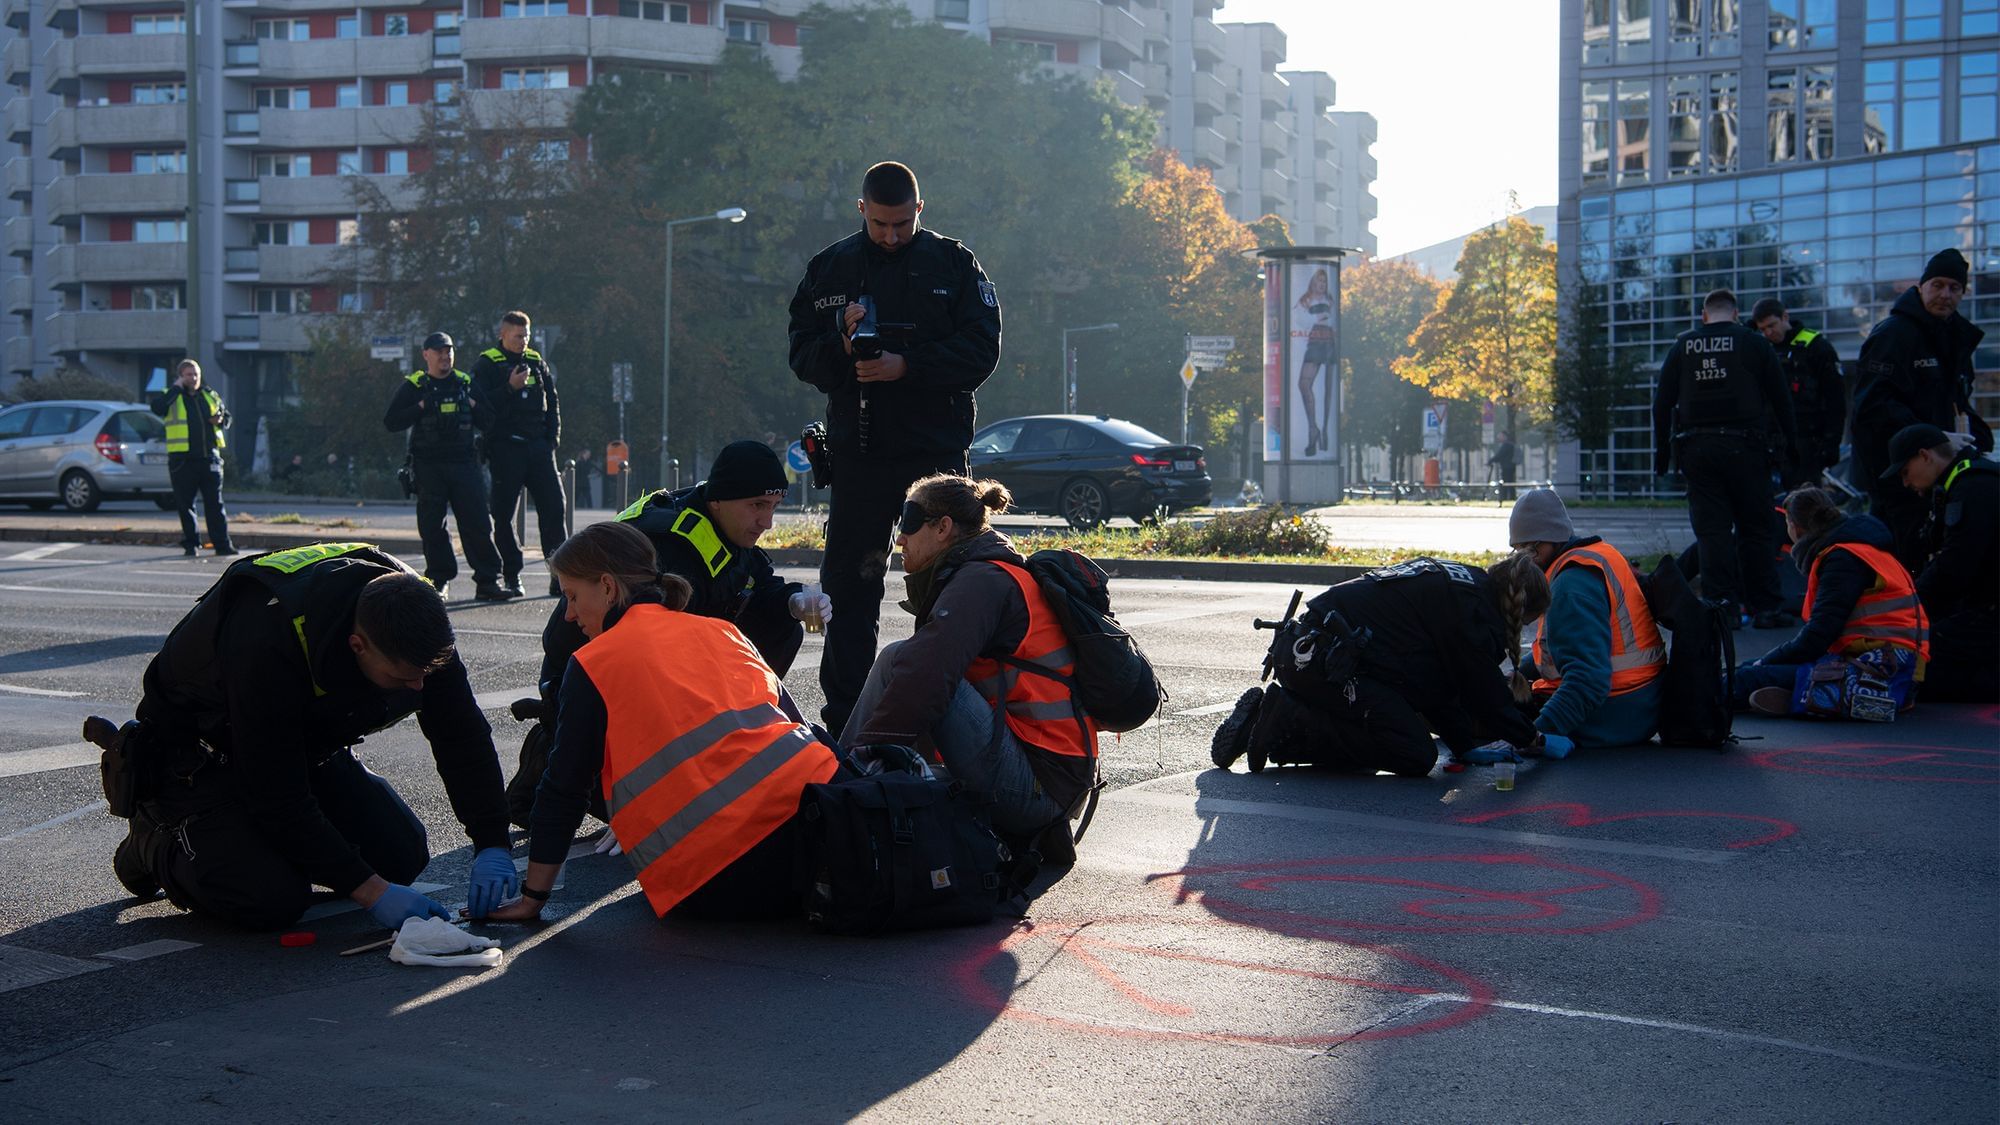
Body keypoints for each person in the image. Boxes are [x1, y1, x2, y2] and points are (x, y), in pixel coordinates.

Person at [83, 543, 518, 930]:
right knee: (270, 898)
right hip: (196, 755)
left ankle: (249, 843)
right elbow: (277, 797)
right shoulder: (269, 640)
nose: (419, 687)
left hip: (301, 742)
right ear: (358, 646)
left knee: (400, 856)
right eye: (403, 678)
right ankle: (153, 838)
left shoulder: (415, 621)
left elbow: (462, 736)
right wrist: (371, 893)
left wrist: (491, 843)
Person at [490, 522, 840, 923]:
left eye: (572, 596)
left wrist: (532, 898)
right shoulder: (722, 630)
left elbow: (564, 787)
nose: (569, 614)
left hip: (717, 875)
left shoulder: (594, 663)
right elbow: (798, 727)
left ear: (607, 587)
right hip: (819, 827)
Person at [787, 160, 1002, 735]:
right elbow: (801, 355)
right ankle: (849, 724)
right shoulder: (830, 268)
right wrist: (842, 346)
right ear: (862, 210)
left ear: (919, 210)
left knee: (954, 589)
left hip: (935, 458)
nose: (890, 235)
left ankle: (955, 720)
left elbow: (982, 350)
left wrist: (908, 365)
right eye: (880, 223)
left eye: (902, 224)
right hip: (860, 454)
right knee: (849, 589)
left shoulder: (953, 264)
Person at [843, 475, 1089, 842]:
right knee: (911, 662)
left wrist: (859, 760)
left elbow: (925, 677)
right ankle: (853, 777)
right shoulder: (981, 572)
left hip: (1039, 789)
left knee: (907, 662)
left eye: (909, 522)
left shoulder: (981, 581)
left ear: (943, 528)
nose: (900, 538)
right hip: (1047, 781)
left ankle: (839, 778)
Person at [1212, 554, 1551, 776]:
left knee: (1396, 728)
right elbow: (1482, 689)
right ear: (1519, 608)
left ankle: (1273, 718)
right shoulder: (1472, 612)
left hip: (1304, 652)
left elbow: (1438, 687)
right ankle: (1281, 722)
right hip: (1326, 664)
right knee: (1414, 754)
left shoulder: (1465, 584)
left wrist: (1464, 744)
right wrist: (1532, 738)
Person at [539, 439, 824, 688]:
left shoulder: (720, 521)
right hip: (580, 677)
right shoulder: (672, 549)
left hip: (628, 664)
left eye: (774, 506)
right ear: (718, 499)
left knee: (783, 625)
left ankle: (746, 716)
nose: (767, 522)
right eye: (758, 505)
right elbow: (656, 647)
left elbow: (758, 581)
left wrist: (793, 601)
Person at [1654, 288, 1797, 628]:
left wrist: (1662, 453)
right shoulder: (1754, 343)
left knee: (1712, 532)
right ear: (1735, 315)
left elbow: (1662, 404)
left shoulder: (1683, 346)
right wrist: (1791, 447)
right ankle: (1765, 608)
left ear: (1704, 316)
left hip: (1698, 451)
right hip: (1747, 449)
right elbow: (1781, 400)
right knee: (1755, 530)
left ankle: (1723, 608)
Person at [1853, 248, 1993, 569]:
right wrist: (1931, 436)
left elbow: (1957, 399)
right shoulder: (1893, 335)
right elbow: (1871, 406)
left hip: (1938, 470)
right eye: (1938, 285)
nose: (1945, 295)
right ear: (1921, 287)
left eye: (1954, 288)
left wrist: (1979, 437)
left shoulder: (1955, 337)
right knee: (1901, 556)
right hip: (1898, 473)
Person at [1734, 488, 1928, 718]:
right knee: (1750, 668)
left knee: (1747, 677)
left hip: (1881, 670)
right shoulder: (1862, 548)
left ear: (1794, 526)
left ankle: (1811, 696)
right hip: (1895, 666)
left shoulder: (1843, 559)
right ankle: (1805, 695)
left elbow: (1818, 636)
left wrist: (1765, 662)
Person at [1508, 489, 1664, 751]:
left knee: (1489, 716)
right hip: (1640, 702)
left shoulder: (1570, 588)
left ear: (1551, 541)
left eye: (1529, 548)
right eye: (1517, 549)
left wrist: (1535, 737)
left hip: (1614, 713)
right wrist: (1517, 675)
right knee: (1498, 700)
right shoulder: (1597, 555)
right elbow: (1559, 649)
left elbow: (1587, 682)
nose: (1524, 559)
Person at [382, 331, 510, 603]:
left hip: (464, 464)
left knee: (477, 523)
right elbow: (391, 421)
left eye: (448, 351)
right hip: (429, 467)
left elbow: (489, 420)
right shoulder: (416, 385)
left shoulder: (465, 383)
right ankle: (438, 581)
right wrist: (420, 406)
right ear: (426, 354)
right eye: (439, 351)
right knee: (433, 527)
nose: (445, 356)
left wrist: (471, 403)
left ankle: (488, 581)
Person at [1880, 422, 1998, 702]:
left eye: (1905, 472)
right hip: (1984, 604)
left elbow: (1954, 566)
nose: (1905, 483)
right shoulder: (1964, 481)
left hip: (1989, 612)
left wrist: (1908, 608)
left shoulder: (1973, 487)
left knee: (1916, 664)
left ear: (1925, 456)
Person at [469, 309, 566, 597]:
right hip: (505, 448)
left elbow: (553, 402)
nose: (523, 341)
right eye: (517, 336)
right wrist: (509, 388)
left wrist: (552, 439)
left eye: (526, 335)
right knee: (503, 515)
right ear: (502, 335)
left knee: (554, 509)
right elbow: (479, 407)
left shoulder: (536, 361)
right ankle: (512, 575)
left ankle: (559, 576)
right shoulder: (487, 364)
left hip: (538, 448)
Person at [1750, 298, 1847, 490]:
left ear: (1785, 317)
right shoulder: (1763, 350)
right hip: (1773, 441)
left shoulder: (1816, 347)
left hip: (1807, 442)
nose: (1768, 333)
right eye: (1762, 329)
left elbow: (1835, 400)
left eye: (1772, 325)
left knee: (1805, 500)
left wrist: (1831, 443)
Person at [151, 359, 236, 558]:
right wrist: (176, 388)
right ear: (180, 377)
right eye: (189, 374)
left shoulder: (209, 395)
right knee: (185, 505)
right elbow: (157, 408)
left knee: (215, 504)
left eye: (196, 374)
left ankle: (222, 545)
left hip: (209, 459)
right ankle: (191, 544)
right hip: (183, 461)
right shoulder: (171, 395)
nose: (194, 378)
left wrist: (221, 420)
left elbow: (227, 417)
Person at [1295, 267, 1335, 457]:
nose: (1322, 284)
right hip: (1315, 340)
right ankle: (1314, 428)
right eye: (1319, 281)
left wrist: (1319, 319)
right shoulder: (1306, 300)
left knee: (1326, 388)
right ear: (1313, 282)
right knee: (1304, 384)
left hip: (1327, 340)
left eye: (1324, 281)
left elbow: (1332, 320)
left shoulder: (1330, 300)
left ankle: (1322, 431)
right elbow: (1299, 319)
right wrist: (1315, 319)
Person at [1488, 431, 1518, 500]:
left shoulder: (1506, 445)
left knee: (1506, 483)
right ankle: (1510, 497)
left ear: (1505, 436)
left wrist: (1491, 460)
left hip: (1507, 467)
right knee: (1510, 483)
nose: (1498, 438)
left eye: (1500, 436)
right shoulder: (1509, 445)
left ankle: (1506, 498)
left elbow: (1500, 455)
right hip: (1510, 467)